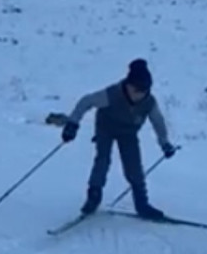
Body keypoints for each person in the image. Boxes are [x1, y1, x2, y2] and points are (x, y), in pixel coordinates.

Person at [61, 59, 178, 219]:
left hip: (128, 132)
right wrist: (72, 124)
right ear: (128, 85)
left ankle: (142, 204)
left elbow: (158, 122)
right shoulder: (111, 95)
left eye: (144, 91)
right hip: (106, 127)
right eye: (137, 90)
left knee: (134, 166)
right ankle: (93, 197)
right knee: (102, 160)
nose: (140, 95)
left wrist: (164, 143)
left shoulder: (148, 102)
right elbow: (86, 101)